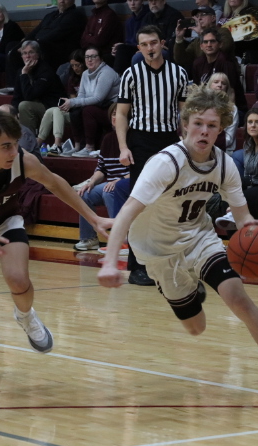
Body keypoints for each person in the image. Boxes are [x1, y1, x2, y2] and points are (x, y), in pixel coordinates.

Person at [98, 86, 258, 404]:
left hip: (198, 237)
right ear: (186, 123)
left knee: (238, 298)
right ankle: (186, 286)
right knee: (196, 328)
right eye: (199, 123)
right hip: (158, 250)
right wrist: (110, 262)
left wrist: (253, 227)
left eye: (212, 126)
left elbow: (243, 217)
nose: (204, 131)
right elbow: (125, 216)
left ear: (221, 129)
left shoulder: (224, 164)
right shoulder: (165, 163)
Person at [0, 109, 113, 379]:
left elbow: (56, 184)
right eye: (6, 146)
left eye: (15, 144)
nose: (13, 151)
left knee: (18, 279)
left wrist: (94, 218)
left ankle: (26, 316)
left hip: (5, 222)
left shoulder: (22, 160)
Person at [116, 25, 189, 286]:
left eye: (154, 43)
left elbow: (185, 114)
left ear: (162, 44)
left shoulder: (179, 74)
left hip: (169, 141)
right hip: (141, 142)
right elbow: (122, 114)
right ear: (139, 48)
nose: (150, 48)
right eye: (145, 44)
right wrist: (124, 147)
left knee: (170, 204)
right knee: (141, 205)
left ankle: (168, 261)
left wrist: (187, 142)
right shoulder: (131, 74)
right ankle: (137, 266)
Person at [0, 0, 87, 95]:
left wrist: (34, 44)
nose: (62, 1)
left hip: (58, 50)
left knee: (42, 45)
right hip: (40, 45)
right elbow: (34, 32)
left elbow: (56, 34)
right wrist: (22, 45)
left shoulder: (76, 15)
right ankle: (13, 86)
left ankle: (37, 81)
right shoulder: (50, 15)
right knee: (11, 46)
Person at [74, 102, 130, 251]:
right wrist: (91, 182)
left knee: (109, 190)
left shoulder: (134, 139)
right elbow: (101, 168)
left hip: (128, 184)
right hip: (110, 183)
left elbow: (142, 169)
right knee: (85, 193)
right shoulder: (107, 139)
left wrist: (120, 180)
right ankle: (89, 239)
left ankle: (121, 240)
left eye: (117, 114)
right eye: (112, 114)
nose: (114, 117)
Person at [65, 46, 120, 157]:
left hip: (111, 110)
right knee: (75, 110)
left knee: (88, 110)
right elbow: (81, 96)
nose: (89, 60)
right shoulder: (85, 74)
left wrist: (73, 102)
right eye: (87, 57)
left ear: (100, 59)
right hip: (98, 107)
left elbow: (98, 98)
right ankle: (77, 146)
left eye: (93, 56)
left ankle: (89, 147)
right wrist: (70, 103)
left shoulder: (106, 73)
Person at [35, 50, 85, 156]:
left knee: (57, 110)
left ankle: (57, 144)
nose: (75, 68)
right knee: (51, 110)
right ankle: (38, 143)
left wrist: (73, 103)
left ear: (83, 63)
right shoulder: (72, 79)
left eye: (78, 65)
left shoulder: (87, 76)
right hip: (74, 111)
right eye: (72, 65)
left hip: (84, 112)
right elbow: (73, 100)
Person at [11, 41, 67, 133]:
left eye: (31, 52)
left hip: (51, 108)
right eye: (24, 53)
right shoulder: (20, 72)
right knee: (6, 109)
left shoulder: (46, 71)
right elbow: (17, 96)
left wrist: (24, 74)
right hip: (34, 107)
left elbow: (30, 95)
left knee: (24, 105)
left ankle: (29, 142)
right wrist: (16, 111)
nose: (27, 56)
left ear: (38, 55)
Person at [189, 27, 245, 112]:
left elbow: (231, 92)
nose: (209, 45)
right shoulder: (198, 63)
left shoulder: (226, 62)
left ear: (220, 44)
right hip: (207, 107)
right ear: (201, 46)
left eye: (212, 41)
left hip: (229, 108)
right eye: (205, 42)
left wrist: (230, 115)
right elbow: (196, 91)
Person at [174, 7, 235, 73]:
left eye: (203, 14)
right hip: (204, 77)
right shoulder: (197, 40)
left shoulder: (223, 31)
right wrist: (179, 39)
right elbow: (181, 59)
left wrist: (202, 34)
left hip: (224, 74)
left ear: (213, 18)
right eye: (197, 16)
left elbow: (224, 48)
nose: (199, 18)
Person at [132, 0, 184, 66]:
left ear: (164, 1)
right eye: (151, 1)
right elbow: (141, 34)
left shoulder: (174, 15)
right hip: (150, 47)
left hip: (168, 50)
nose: (153, 3)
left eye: (156, 0)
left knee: (138, 57)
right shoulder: (148, 17)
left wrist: (158, 47)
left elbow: (171, 39)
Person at [111, 0, 150, 74]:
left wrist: (123, 46)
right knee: (117, 50)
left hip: (142, 48)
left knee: (122, 50)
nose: (132, 3)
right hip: (132, 48)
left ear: (142, 1)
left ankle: (117, 79)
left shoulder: (148, 17)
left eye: (135, 0)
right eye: (129, 0)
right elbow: (128, 41)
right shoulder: (129, 21)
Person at [207, 72, 238, 155]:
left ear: (226, 88)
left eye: (223, 83)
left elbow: (229, 139)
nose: (220, 85)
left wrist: (207, 143)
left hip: (225, 151)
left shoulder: (232, 108)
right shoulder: (201, 105)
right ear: (209, 85)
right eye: (216, 82)